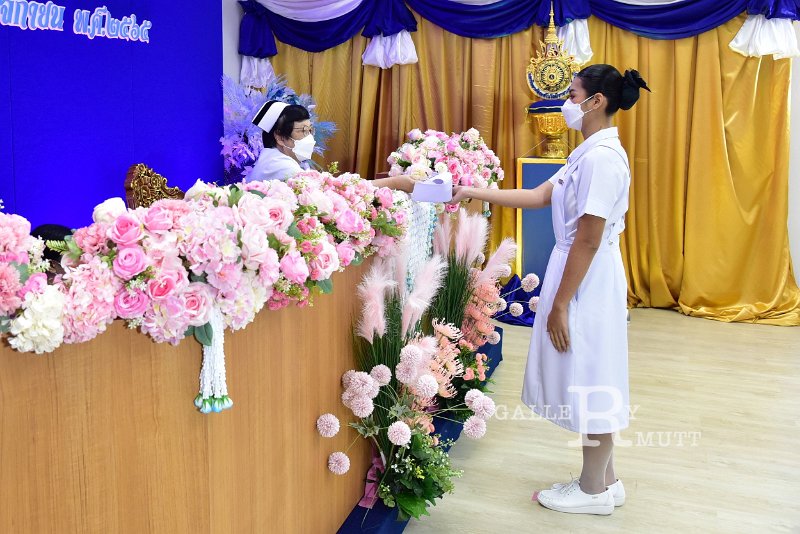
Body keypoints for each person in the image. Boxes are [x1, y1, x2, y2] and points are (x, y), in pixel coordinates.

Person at [450, 64, 650, 516]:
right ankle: (606, 481)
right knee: (591, 372)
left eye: (573, 94)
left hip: (587, 276)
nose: (566, 104)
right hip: (578, 268)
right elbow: (540, 196)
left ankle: (592, 490)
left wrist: (559, 304)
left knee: (592, 376)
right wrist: (472, 190)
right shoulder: (588, 152)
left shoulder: (601, 159)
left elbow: (589, 238)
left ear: (596, 101)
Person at [250, 100, 415, 191]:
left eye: (310, 130)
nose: (310, 137)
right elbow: (332, 190)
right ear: (280, 137)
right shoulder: (277, 165)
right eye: (303, 131)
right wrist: (395, 183)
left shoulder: (280, 159)